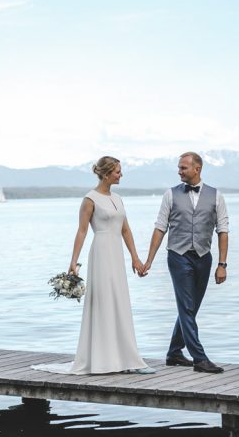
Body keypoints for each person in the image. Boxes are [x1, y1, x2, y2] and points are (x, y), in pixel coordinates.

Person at [33, 156, 155, 375]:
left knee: (119, 301)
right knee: (103, 301)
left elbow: (125, 230)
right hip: (100, 252)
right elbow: (82, 231)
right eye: (118, 171)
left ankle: (128, 360)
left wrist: (135, 259)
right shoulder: (90, 199)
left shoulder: (118, 198)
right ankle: (101, 360)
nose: (121, 175)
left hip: (116, 253)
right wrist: (73, 261)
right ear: (107, 173)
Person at [140, 152, 229, 374]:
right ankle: (199, 358)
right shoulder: (170, 195)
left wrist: (222, 264)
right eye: (179, 168)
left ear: (196, 169)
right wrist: (149, 260)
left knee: (191, 308)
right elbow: (160, 227)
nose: (179, 171)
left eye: (183, 168)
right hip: (178, 256)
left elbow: (223, 231)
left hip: (204, 257)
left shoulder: (216, 196)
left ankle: (174, 353)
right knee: (187, 306)